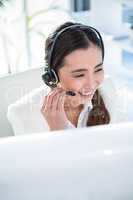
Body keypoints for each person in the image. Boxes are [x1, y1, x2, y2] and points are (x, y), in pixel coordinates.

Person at [40, 21, 127, 131]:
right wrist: (57, 130)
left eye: (98, 69)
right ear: (52, 75)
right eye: (79, 75)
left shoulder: (109, 91)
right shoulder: (22, 114)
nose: (91, 84)